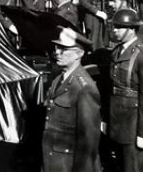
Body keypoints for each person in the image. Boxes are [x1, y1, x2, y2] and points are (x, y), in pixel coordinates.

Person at [106, 8, 143, 172]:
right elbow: (111, 88)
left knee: (134, 168)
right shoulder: (116, 52)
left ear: (131, 29)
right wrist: (105, 119)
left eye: (119, 27)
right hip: (117, 121)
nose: (114, 30)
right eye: (114, 26)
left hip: (133, 125)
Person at [42, 27, 101, 172]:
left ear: (78, 54)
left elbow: (88, 139)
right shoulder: (59, 80)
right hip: (54, 159)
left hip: (69, 163)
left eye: (63, 49)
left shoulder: (84, 88)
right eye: (57, 48)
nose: (57, 53)